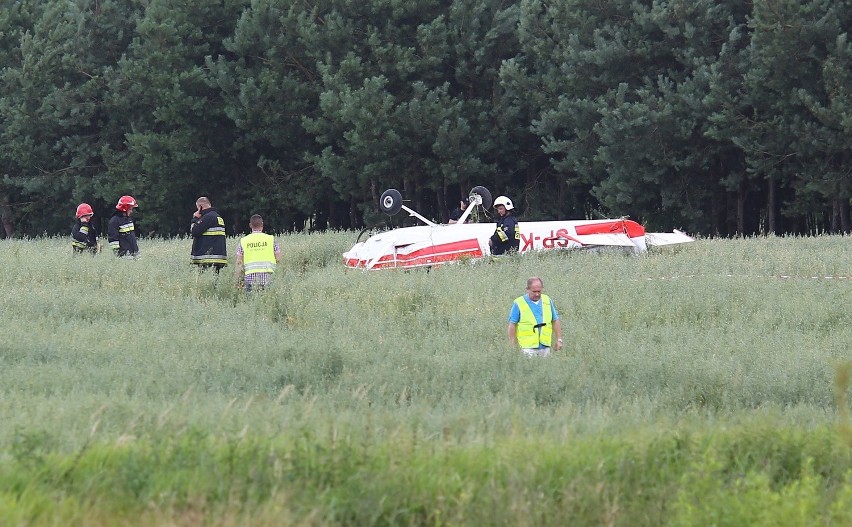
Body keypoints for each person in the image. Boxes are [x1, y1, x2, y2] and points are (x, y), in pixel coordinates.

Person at [508, 277, 563, 357]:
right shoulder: (519, 303)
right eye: (534, 291)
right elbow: (512, 325)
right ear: (527, 289)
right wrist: (512, 345)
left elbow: (555, 320)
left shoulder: (547, 300)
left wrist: (559, 339)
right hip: (527, 348)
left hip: (545, 346)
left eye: (539, 291)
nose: (537, 294)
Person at [235, 214, 281, 292]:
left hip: (250, 280)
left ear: (250, 225)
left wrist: (237, 279)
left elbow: (239, 263)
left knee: (250, 303)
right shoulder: (271, 239)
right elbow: (278, 259)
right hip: (268, 279)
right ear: (262, 225)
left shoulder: (243, 241)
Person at [189, 196, 227, 272]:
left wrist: (195, 219)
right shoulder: (218, 217)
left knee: (205, 281)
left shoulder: (207, 217)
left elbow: (194, 232)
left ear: (200, 207)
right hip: (218, 257)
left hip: (207, 258)